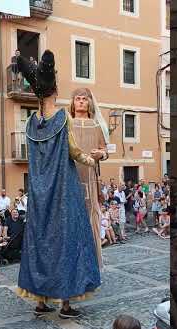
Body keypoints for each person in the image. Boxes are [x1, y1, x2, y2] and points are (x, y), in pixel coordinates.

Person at [15, 50, 101, 319]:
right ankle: (65, 304)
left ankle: (40, 302)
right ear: (55, 90)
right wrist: (90, 159)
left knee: (40, 242)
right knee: (69, 241)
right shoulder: (63, 118)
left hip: (39, 193)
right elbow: (74, 151)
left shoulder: (31, 123)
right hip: (64, 190)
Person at [69, 87, 110, 269]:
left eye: (84, 99)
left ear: (89, 103)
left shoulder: (96, 126)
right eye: (77, 99)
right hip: (70, 177)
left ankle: (92, 262)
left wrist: (100, 154)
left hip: (90, 178)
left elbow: (105, 151)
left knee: (91, 216)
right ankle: (73, 263)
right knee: (72, 218)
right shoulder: (67, 124)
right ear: (73, 102)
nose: (81, 102)